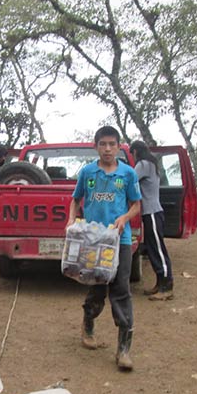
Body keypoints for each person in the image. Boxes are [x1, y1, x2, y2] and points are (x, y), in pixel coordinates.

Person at [66, 126, 141, 371]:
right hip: (92, 240)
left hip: (120, 241)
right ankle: (88, 324)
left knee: (120, 290)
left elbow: (136, 205)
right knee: (97, 286)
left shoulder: (128, 174)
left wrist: (124, 218)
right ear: (95, 146)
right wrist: (71, 220)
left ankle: (124, 349)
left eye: (112, 144)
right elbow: (76, 199)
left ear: (119, 147)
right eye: (103, 144)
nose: (107, 149)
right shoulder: (87, 172)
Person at [129, 140, 174, 301]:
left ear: (134, 152)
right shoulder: (151, 164)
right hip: (152, 213)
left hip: (152, 213)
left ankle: (167, 286)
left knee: (158, 250)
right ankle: (160, 284)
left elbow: (130, 179)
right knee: (154, 249)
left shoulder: (143, 164)